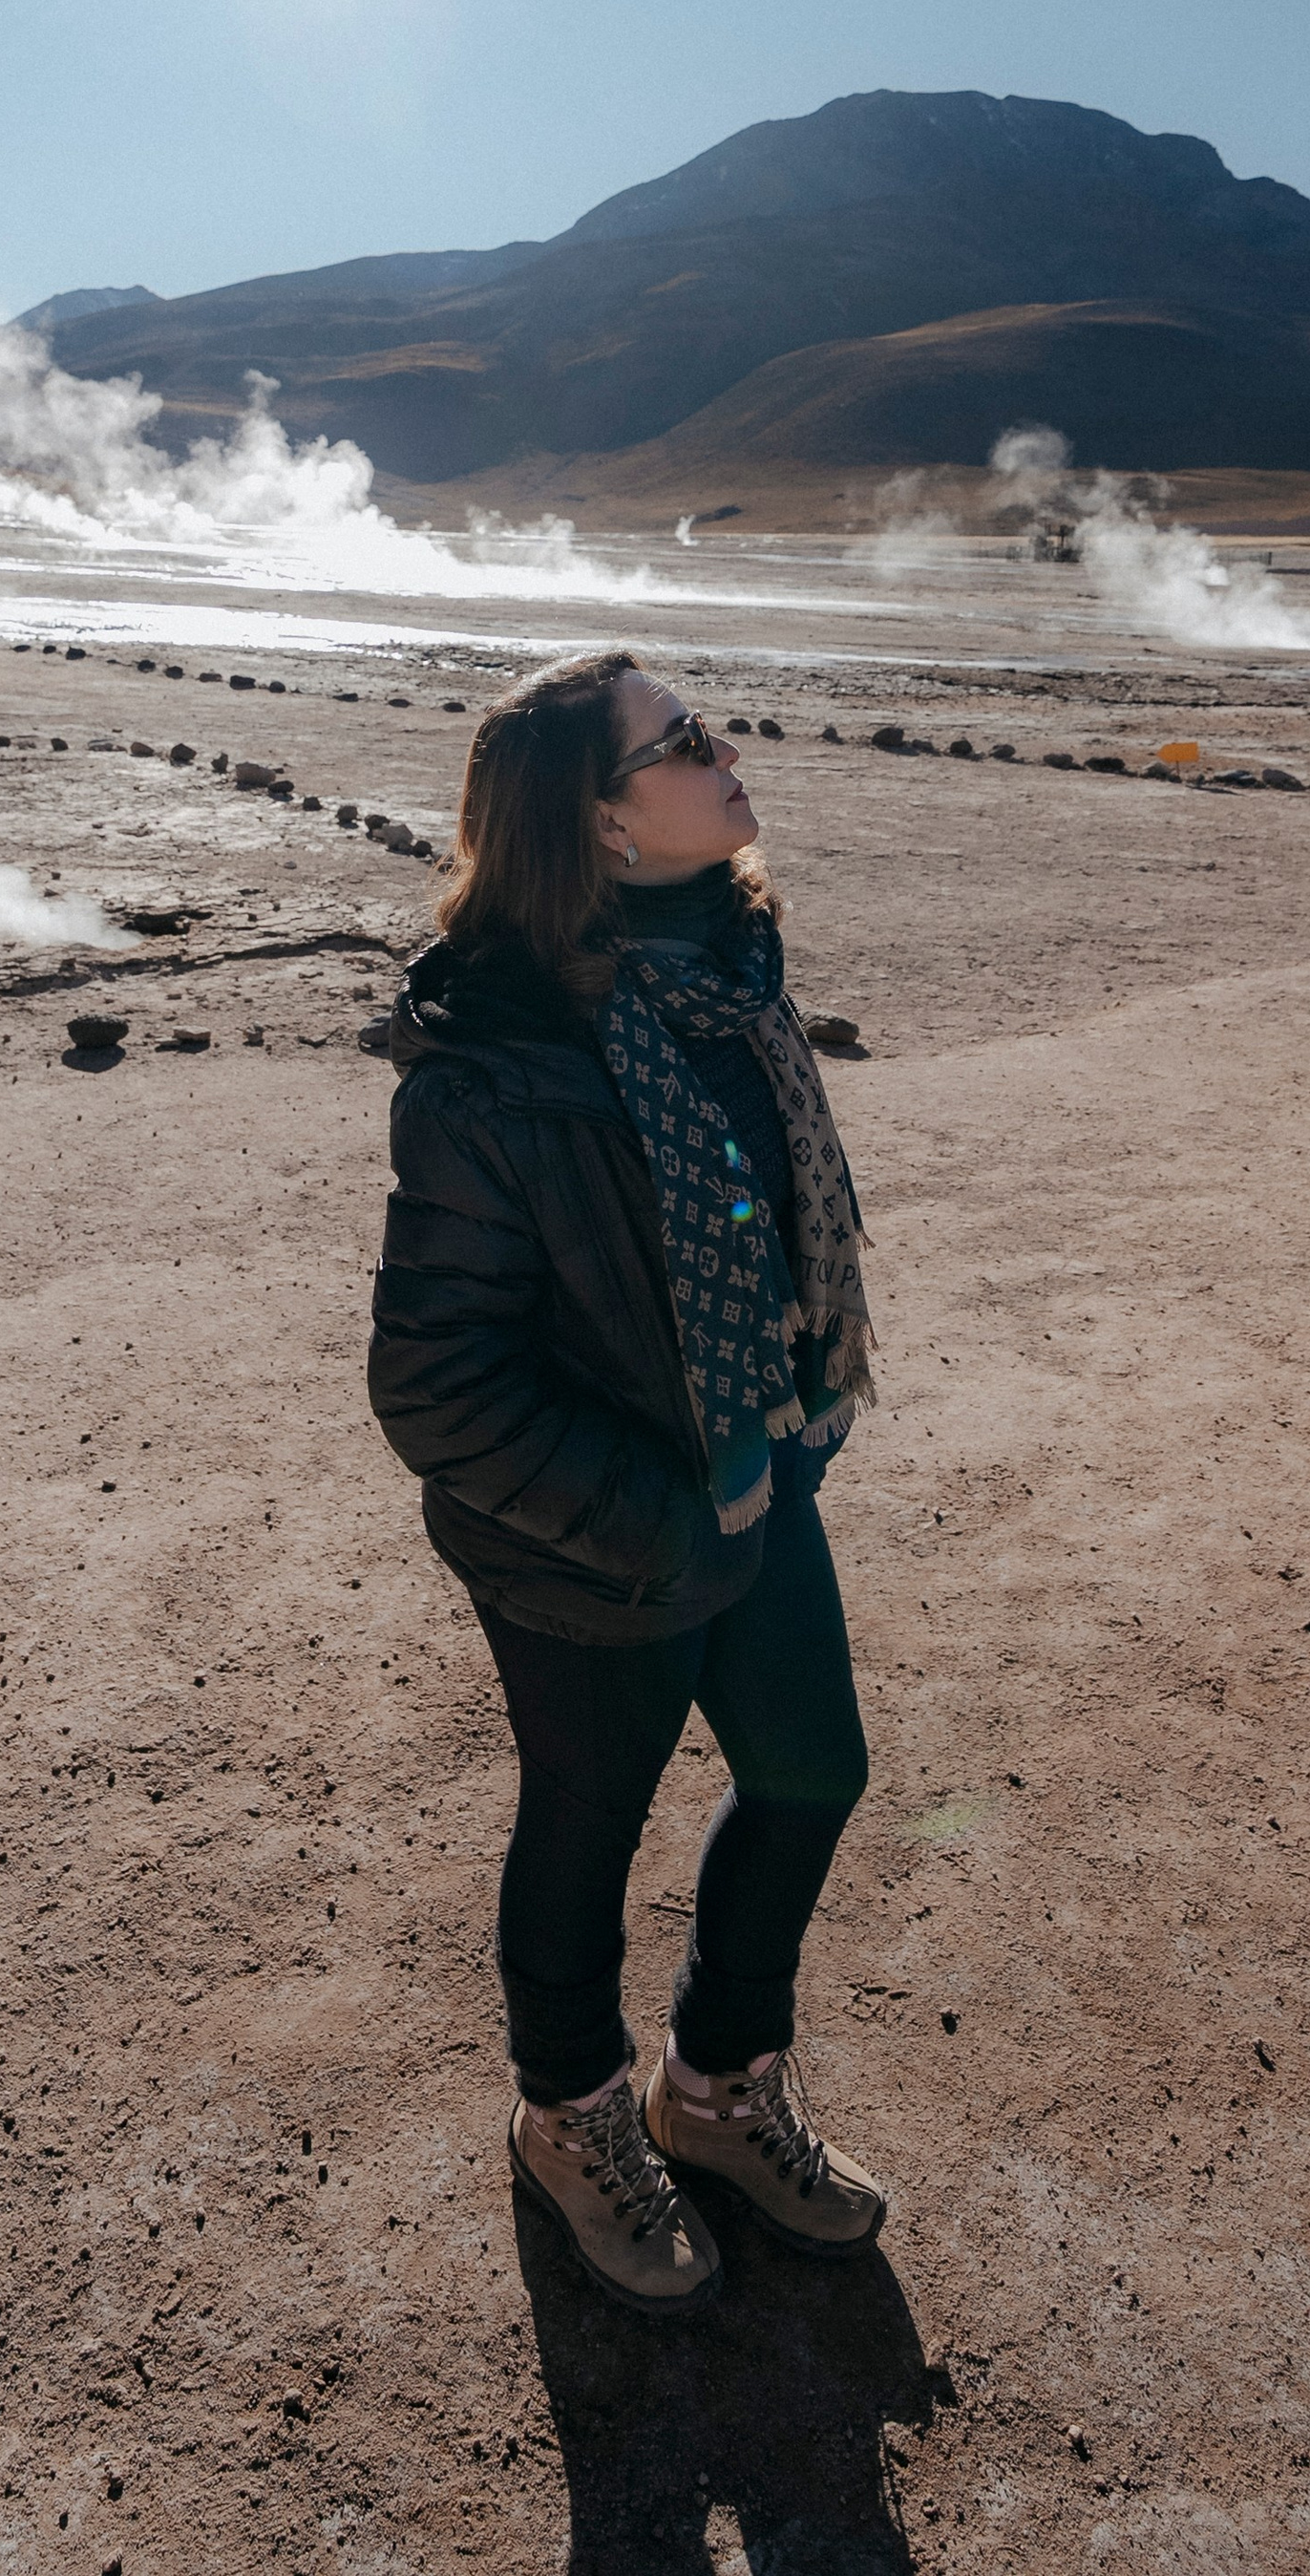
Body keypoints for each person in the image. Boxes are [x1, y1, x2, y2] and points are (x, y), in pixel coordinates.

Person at [368, 649, 887, 2315]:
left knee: (811, 1767)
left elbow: (771, 1215)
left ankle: (716, 2086)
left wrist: (794, 1411)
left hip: (754, 1474)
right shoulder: (497, 1059)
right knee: (587, 1823)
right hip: (594, 1537)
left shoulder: (729, 964)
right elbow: (437, 1382)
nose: (724, 749)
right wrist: (657, 1523)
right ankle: (573, 2110)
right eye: (682, 740)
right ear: (598, 823)